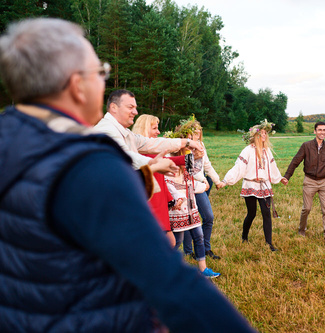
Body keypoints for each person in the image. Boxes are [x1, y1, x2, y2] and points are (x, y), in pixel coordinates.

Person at [0, 18, 255, 332]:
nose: (103, 82)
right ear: (76, 84)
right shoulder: (88, 163)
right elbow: (167, 279)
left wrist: (184, 142)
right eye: (100, 72)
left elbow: (145, 142)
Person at [218, 120, 287, 251]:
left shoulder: (267, 151)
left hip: (264, 184)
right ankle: (244, 237)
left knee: (266, 213)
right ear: (255, 135)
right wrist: (226, 180)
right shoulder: (247, 150)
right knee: (252, 213)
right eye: (262, 133)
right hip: (250, 184)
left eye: (265, 133)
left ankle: (269, 243)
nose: (264, 136)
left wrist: (280, 178)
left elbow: (273, 167)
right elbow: (238, 168)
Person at [94, 89, 204, 171]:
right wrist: (153, 163)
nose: (135, 112)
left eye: (135, 108)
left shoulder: (125, 132)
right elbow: (124, 156)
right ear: (114, 107)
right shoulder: (106, 130)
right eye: (130, 107)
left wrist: (186, 142)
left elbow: (150, 143)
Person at [164, 134, 221, 278]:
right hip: (179, 210)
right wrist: (176, 197)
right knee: (177, 241)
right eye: (188, 150)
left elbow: (191, 183)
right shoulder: (170, 165)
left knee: (199, 236)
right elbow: (169, 185)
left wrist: (203, 184)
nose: (191, 152)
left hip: (191, 208)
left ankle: (203, 269)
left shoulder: (188, 164)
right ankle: (165, 268)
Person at [283, 121, 325, 241]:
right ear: (315, 131)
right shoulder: (306, 146)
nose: (322, 132)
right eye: (320, 130)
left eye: (324, 130)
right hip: (310, 181)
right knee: (307, 208)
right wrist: (287, 176)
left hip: (324, 182)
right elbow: (295, 161)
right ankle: (301, 230)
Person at [175, 116, 223, 260]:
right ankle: (189, 251)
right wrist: (203, 180)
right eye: (193, 132)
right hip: (187, 187)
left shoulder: (201, 146)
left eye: (198, 132)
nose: (196, 135)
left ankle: (205, 249)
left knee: (208, 217)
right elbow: (187, 170)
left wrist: (217, 180)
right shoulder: (181, 147)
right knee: (189, 219)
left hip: (200, 187)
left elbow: (206, 166)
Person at [132, 114, 176, 247]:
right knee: (165, 244)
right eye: (154, 128)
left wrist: (170, 197)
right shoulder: (141, 155)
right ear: (145, 129)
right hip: (151, 205)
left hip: (160, 204)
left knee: (169, 243)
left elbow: (161, 180)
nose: (158, 132)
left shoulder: (153, 153)